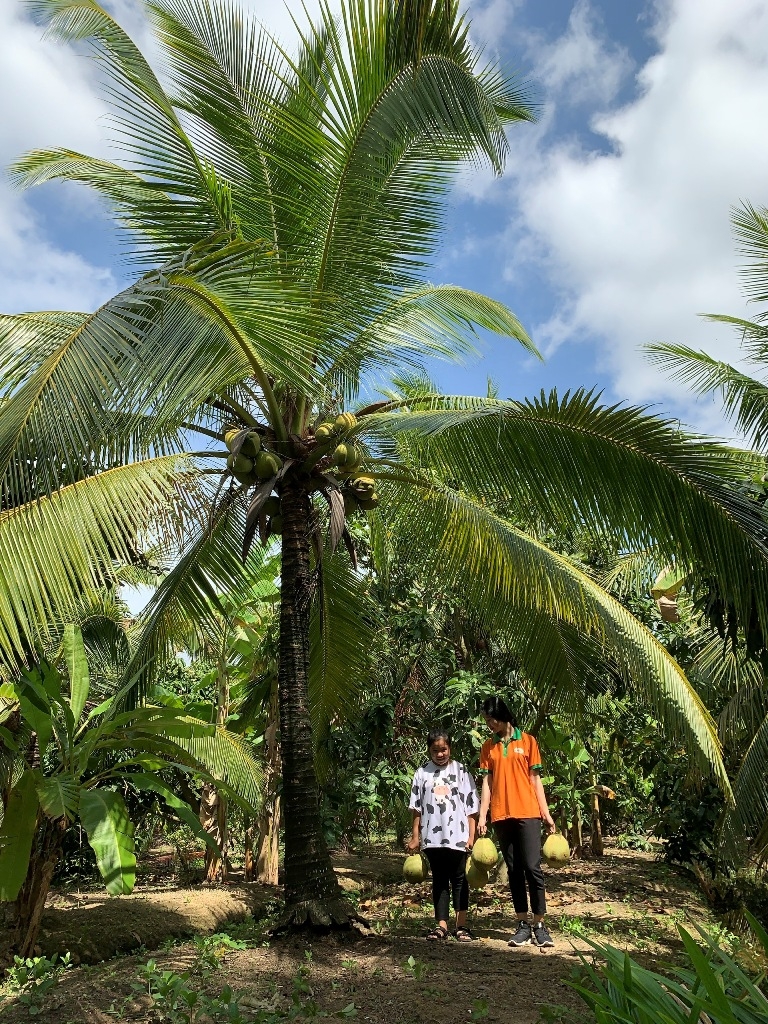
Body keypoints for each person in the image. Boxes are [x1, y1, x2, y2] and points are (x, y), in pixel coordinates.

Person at [477, 695, 556, 948]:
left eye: (492, 720)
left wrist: (545, 813)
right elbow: (487, 784)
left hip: (528, 812)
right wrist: (483, 815)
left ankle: (540, 924)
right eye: (487, 721)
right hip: (501, 815)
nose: (489, 725)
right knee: (514, 871)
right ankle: (522, 923)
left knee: (533, 867)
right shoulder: (488, 747)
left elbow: (535, 780)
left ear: (503, 716)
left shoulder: (529, 741)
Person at [407, 727, 479, 941]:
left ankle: (461, 926)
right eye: (435, 750)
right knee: (439, 880)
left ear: (450, 749)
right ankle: (441, 926)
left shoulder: (461, 771)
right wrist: (415, 836)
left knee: (459, 879)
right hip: (432, 837)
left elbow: (471, 806)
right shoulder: (422, 773)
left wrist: (471, 836)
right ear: (429, 750)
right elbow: (416, 808)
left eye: (444, 749)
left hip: (458, 835)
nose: (440, 754)